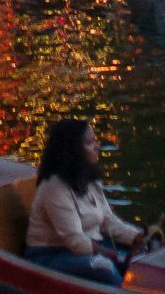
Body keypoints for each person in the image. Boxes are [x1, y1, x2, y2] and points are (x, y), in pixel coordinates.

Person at [25, 118, 148, 283]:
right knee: (103, 266)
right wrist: (108, 254)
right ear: (73, 151)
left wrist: (138, 238)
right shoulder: (54, 186)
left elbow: (108, 222)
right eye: (90, 144)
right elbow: (74, 240)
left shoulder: (89, 180)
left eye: (95, 142)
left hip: (92, 244)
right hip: (52, 255)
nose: (97, 147)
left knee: (143, 258)